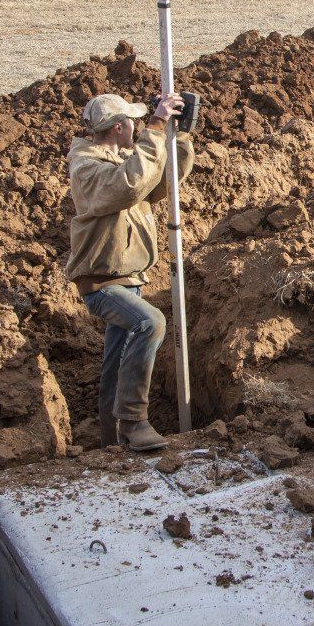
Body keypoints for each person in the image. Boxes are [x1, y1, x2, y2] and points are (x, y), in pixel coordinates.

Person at [65, 90, 194, 452]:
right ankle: (135, 422)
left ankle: (112, 443)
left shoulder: (120, 158)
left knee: (116, 369)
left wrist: (180, 136)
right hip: (102, 284)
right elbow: (131, 184)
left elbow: (162, 182)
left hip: (128, 280)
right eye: (133, 122)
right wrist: (156, 124)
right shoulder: (88, 168)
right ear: (119, 128)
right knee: (150, 322)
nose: (137, 127)